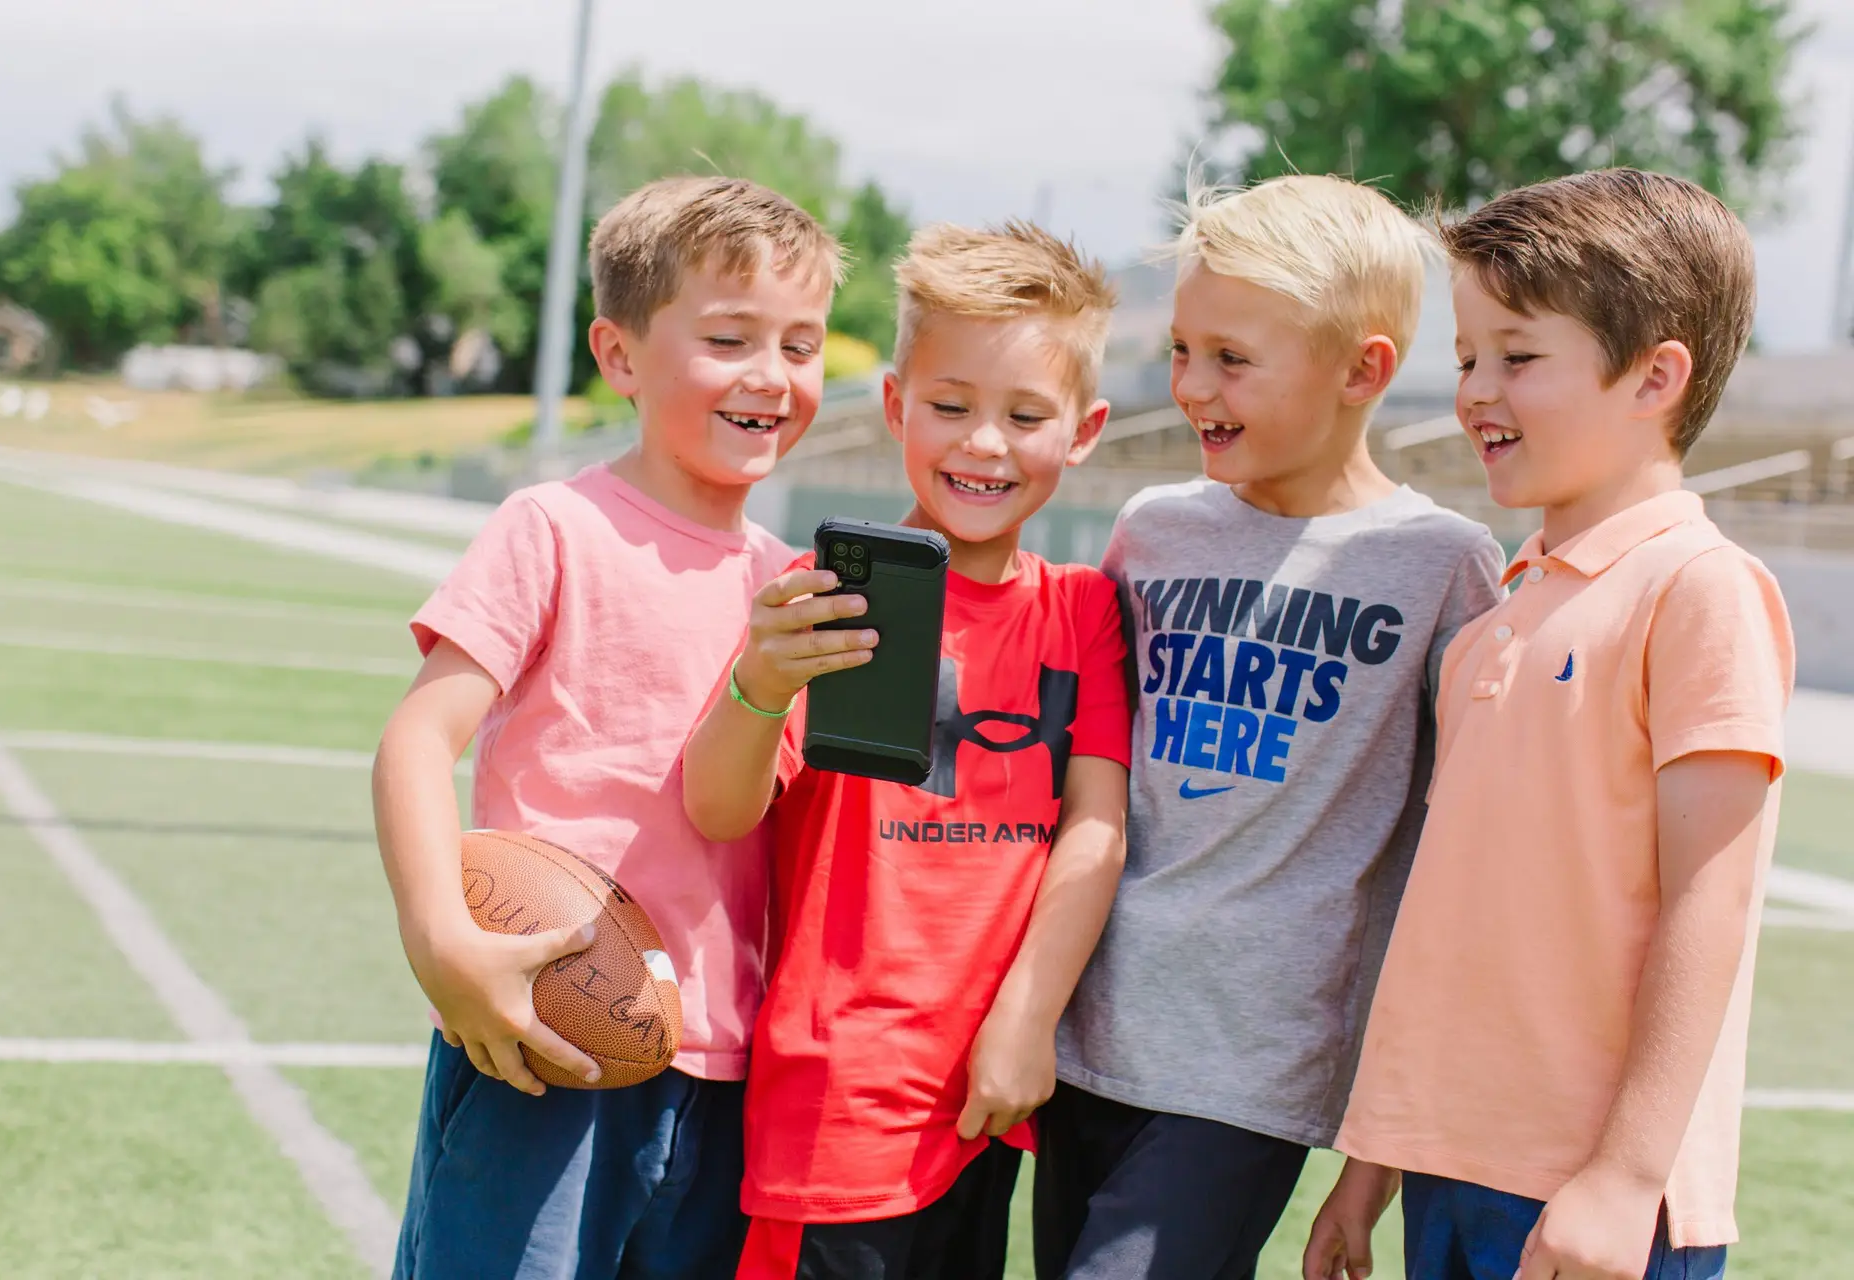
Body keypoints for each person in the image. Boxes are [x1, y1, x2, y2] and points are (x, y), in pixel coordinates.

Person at [1314, 168, 1795, 1280]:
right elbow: (1448, 920)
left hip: (1589, 1195)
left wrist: (1626, 1176)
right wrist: (1375, 1158)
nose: (1477, 391)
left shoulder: (1699, 587)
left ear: (1656, 376)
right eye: (1468, 357)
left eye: (1518, 357)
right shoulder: (1496, 614)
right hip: (1449, 1164)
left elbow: (1706, 904)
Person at [374, 175, 843, 1280]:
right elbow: (413, 742)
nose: (772, 376)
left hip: (722, 1066)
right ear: (620, 355)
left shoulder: (793, 586)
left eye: (802, 343)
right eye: (730, 338)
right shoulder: (556, 526)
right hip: (544, 1035)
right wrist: (443, 941)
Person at [1041, 175, 1507, 1279]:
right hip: (1081, 1032)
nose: (1194, 386)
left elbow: (1450, 867)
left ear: (1366, 370)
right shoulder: (1151, 530)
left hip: (1251, 1071)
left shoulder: (1445, 564)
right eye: (1184, 351)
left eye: (1233, 359)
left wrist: (1376, 1149)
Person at [682, 221, 1133, 1279]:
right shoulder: (820, 596)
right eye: (950, 406)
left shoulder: (1083, 611)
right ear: (895, 405)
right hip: (839, 1103)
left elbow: (1096, 826)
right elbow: (718, 806)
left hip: (988, 1098)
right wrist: (762, 681)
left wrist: (1027, 1017)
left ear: (1084, 429)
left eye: (1025, 415)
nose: (983, 443)